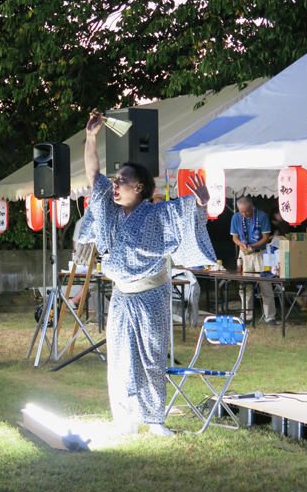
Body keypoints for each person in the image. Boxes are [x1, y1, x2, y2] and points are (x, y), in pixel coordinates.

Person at [79, 110, 216, 436]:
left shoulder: (157, 213)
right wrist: (91, 137)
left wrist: (200, 205)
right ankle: (125, 417)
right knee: (120, 357)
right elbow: (93, 172)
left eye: (122, 180)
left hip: (152, 293)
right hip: (122, 296)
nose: (115, 184)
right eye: (115, 181)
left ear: (139, 187)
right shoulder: (107, 210)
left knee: (152, 356)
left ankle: (154, 419)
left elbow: (187, 214)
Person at [231, 196, 277, 325]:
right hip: (244, 254)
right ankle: (246, 316)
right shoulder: (236, 218)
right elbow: (234, 237)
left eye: (246, 211)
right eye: (241, 211)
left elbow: (266, 237)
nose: (244, 214)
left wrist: (254, 246)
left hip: (260, 253)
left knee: (265, 285)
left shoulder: (261, 216)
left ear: (252, 207)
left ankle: (270, 317)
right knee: (245, 286)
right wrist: (241, 245)